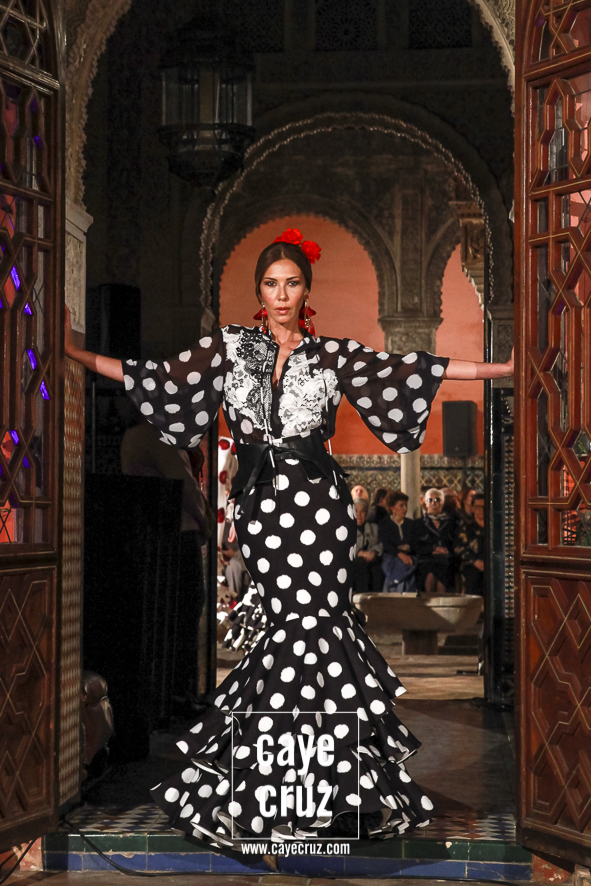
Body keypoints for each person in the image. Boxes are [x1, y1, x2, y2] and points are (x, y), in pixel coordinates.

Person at [64, 226, 513, 849]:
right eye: (271, 284)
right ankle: (272, 787)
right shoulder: (229, 348)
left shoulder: (330, 354)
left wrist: (502, 368)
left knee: (318, 631)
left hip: (320, 512)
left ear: (306, 291)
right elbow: (160, 376)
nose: (281, 294)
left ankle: (331, 792)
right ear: (259, 291)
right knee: (283, 635)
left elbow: (411, 370)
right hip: (262, 513)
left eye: (292, 283)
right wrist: (79, 354)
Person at [121, 419, 213, 712]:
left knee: (172, 614)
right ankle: (179, 694)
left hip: (156, 536)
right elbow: (184, 485)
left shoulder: (137, 435)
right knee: (185, 611)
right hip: (176, 533)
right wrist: (206, 521)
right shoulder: (158, 437)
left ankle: (172, 693)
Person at [410, 487, 457, 595]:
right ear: (425, 503)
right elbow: (415, 546)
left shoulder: (451, 522)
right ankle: (429, 602)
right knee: (430, 572)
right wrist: (433, 549)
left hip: (446, 559)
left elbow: (455, 542)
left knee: (444, 566)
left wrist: (446, 550)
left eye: (437, 500)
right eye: (430, 500)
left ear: (442, 502)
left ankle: (440, 601)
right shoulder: (418, 524)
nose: (434, 503)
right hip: (426, 558)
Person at [379, 491, 416, 593]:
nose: (405, 509)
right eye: (401, 505)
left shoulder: (411, 524)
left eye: (406, 505)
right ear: (392, 507)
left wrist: (406, 552)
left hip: (409, 556)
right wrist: (399, 553)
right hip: (391, 557)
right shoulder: (384, 524)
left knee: (408, 564)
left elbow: (414, 543)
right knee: (398, 565)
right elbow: (386, 544)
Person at [454, 492, 485, 595]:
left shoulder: (495, 527)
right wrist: (475, 561)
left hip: (491, 563)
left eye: (484, 507)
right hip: (472, 563)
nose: (481, 510)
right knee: (473, 578)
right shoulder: (465, 527)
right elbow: (459, 547)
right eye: (478, 507)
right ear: (472, 508)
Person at [352, 497, 384, 594]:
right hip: (355, 560)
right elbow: (344, 548)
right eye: (356, 511)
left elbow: (381, 543)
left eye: (362, 511)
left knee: (377, 570)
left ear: (366, 513)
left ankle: (376, 599)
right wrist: (360, 553)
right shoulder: (347, 529)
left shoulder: (374, 528)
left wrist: (374, 552)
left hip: (373, 559)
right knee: (361, 567)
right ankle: (362, 598)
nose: (359, 515)